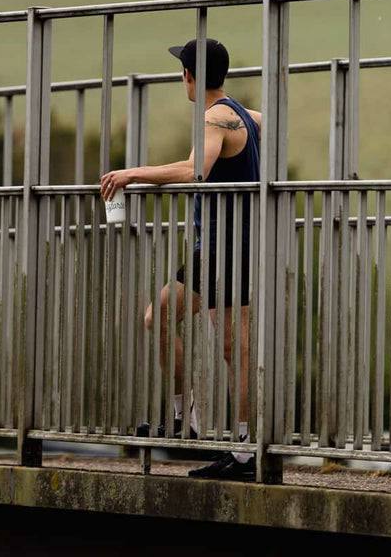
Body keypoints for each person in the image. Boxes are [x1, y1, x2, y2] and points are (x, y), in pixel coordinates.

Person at [99, 37, 260, 481]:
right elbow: (256, 129)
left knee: (235, 347)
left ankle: (245, 453)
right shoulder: (242, 115)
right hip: (213, 248)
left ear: (189, 76)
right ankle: (181, 418)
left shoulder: (216, 118)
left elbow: (195, 170)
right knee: (162, 316)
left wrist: (132, 173)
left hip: (228, 247)